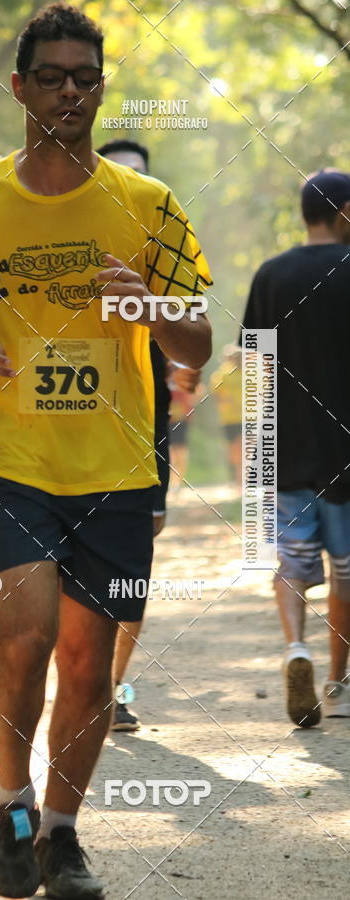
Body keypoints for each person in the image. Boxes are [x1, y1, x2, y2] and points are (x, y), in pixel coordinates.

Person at [0, 5, 212, 898]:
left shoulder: (148, 207)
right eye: (52, 77)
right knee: (28, 634)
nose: (70, 92)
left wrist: (152, 310)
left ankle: (60, 833)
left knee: (88, 663)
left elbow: (198, 342)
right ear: (19, 87)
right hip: (6, 454)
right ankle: (11, 808)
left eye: (86, 77)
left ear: (102, 87)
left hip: (115, 466)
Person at [97, 138, 201, 731]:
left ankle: (110, 687)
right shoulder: (56, 234)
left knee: (131, 559)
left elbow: (191, 339)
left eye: (139, 175)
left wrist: (182, 364)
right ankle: (81, 673)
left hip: (141, 430)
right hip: (54, 430)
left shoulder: (164, 250)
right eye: (119, 173)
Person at [241, 169, 350, 728]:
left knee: (291, 563)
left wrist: (255, 448)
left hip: (282, 450)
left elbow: (254, 366)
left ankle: (295, 649)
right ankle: (339, 684)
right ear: (344, 211)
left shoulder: (270, 275)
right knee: (346, 569)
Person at [209, 344, 243, 485]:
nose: (236, 359)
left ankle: (244, 478)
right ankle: (235, 477)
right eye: (232, 357)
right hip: (229, 418)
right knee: (233, 448)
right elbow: (217, 395)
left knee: (246, 447)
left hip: (248, 417)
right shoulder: (221, 375)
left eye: (238, 356)